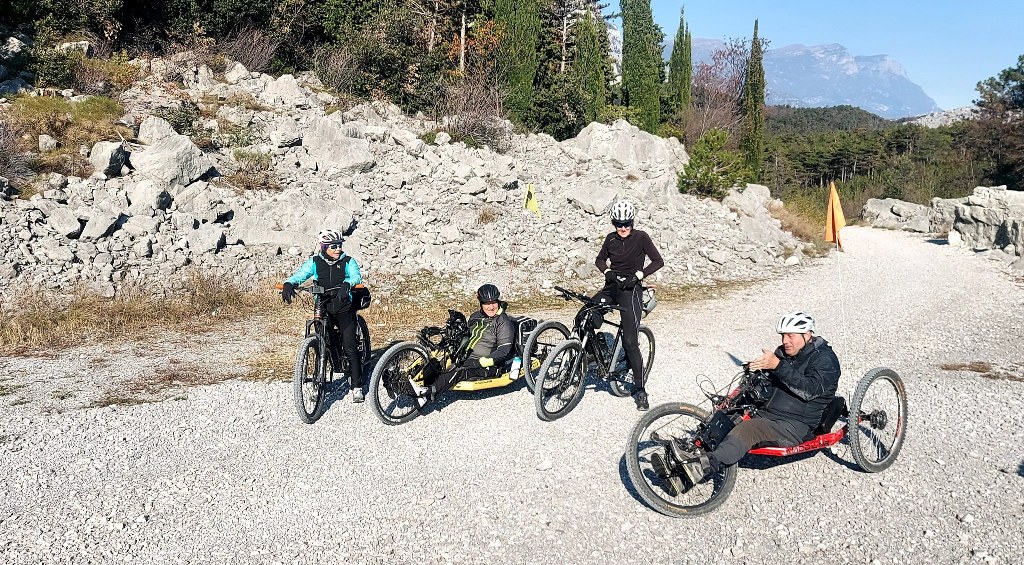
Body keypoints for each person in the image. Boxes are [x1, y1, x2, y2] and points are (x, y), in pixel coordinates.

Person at [661, 311, 841, 490]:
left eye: (790, 336)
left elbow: (809, 390)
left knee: (749, 429)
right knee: (724, 420)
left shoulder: (825, 360)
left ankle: (703, 466)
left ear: (807, 334)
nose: (785, 340)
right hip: (767, 413)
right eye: (783, 335)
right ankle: (683, 470)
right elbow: (770, 379)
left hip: (795, 424)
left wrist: (777, 366)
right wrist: (753, 374)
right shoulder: (784, 353)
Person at [594, 200, 664, 411]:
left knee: (630, 342)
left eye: (626, 224)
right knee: (585, 315)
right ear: (614, 223)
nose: (623, 228)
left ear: (632, 222)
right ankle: (593, 353)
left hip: (631, 289)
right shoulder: (610, 238)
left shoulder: (641, 237)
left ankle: (640, 390)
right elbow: (599, 260)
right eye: (618, 224)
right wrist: (608, 272)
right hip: (612, 287)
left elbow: (658, 261)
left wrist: (639, 275)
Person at [280, 228, 366, 402]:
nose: (338, 248)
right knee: (321, 344)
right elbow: (301, 275)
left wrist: (347, 284)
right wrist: (289, 283)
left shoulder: (348, 261)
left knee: (350, 346)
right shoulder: (315, 262)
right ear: (324, 247)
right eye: (334, 246)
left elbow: (356, 277)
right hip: (322, 305)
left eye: (339, 245)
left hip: (344, 306)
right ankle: (319, 381)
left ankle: (357, 386)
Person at [410, 283, 515, 405]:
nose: (491, 307)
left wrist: (479, 362)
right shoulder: (475, 316)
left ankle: (427, 393)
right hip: (466, 357)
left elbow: (503, 352)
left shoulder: (503, 322)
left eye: (494, 303)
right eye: (487, 303)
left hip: (488, 366)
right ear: (481, 303)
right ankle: (410, 382)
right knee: (437, 362)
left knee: (459, 369)